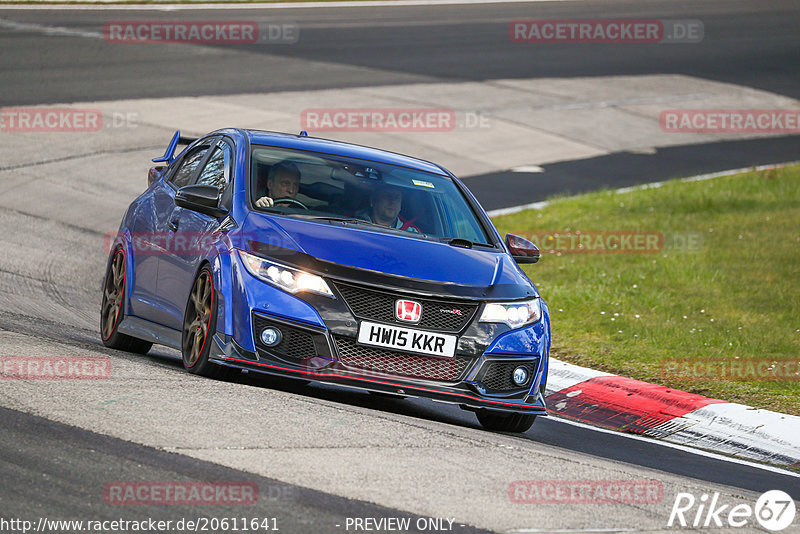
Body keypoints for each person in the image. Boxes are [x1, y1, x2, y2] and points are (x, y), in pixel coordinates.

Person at [355, 185, 420, 232]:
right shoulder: (351, 222)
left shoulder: (412, 233)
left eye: (397, 198)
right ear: (373, 201)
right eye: (388, 196)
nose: (393, 201)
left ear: (400, 206)